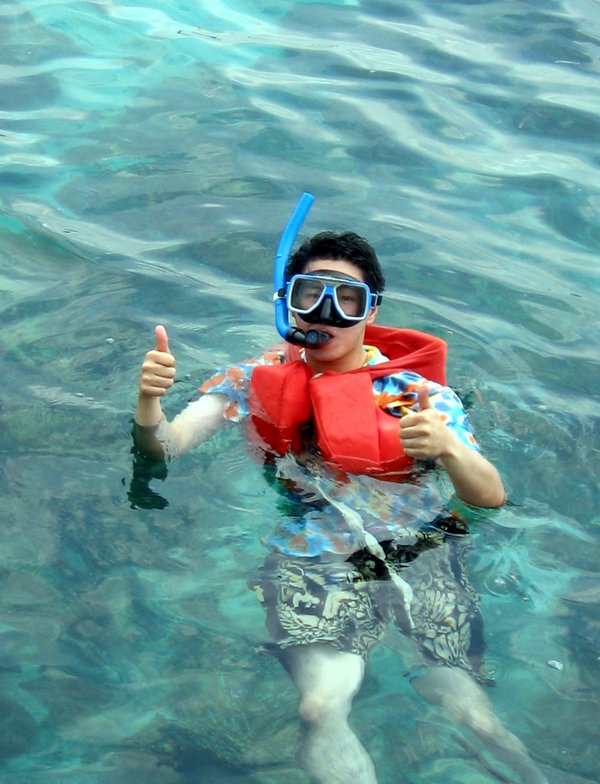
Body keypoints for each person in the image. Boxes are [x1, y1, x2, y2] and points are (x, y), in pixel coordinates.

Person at [133, 227, 547, 784]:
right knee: (320, 707)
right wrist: (147, 404)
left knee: (471, 713)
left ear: (370, 312)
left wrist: (447, 447)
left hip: (416, 547)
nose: (325, 313)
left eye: (347, 299)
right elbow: (167, 448)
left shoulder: (413, 395)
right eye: (311, 294)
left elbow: (490, 498)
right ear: (287, 300)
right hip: (313, 553)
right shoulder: (249, 379)